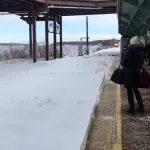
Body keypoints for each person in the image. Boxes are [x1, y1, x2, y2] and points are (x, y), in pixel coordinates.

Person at [121, 36, 144, 114]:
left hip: (129, 73)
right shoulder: (140, 50)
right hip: (136, 73)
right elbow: (141, 62)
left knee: (129, 91)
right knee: (136, 90)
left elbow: (123, 62)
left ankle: (132, 109)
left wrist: (123, 55)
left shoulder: (129, 51)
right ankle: (141, 107)